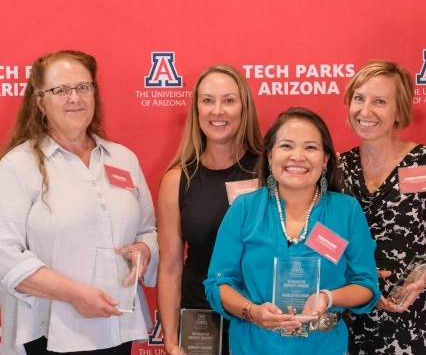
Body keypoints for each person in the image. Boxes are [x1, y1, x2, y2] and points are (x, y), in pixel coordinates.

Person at [0, 50, 158, 355]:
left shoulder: (123, 158)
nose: (75, 98)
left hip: (116, 329)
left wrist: (144, 251)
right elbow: (4, 255)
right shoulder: (17, 166)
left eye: (84, 87)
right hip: (49, 335)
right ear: (39, 101)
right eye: (61, 90)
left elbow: (147, 231)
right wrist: (74, 294)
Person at [204, 107, 380, 355]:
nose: (298, 156)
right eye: (286, 146)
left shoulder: (346, 211)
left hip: (324, 348)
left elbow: (366, 285)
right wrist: (252, 312)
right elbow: (219, 284)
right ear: (269, 155)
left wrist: (328, 298)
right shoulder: (244, 209)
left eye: (310, 147)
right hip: (253, 347)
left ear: (326, 158)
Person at [339, 61, 426, 355]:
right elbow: (318, 237)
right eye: (359, 98)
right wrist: (350, 271)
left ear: (399, 111)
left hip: (411, 316)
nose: (365, 111)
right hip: (346, 315)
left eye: (379, 101)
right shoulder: (335, 168)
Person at [156, 64, 263, 355]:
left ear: (244, 108)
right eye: (208, 100)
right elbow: (169, 268)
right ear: (197, 110)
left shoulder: (269, 172)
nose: (218, 110)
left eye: (229, 100)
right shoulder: (177, 179)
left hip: (260, 318)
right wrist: (170, 339)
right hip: (201, 323)